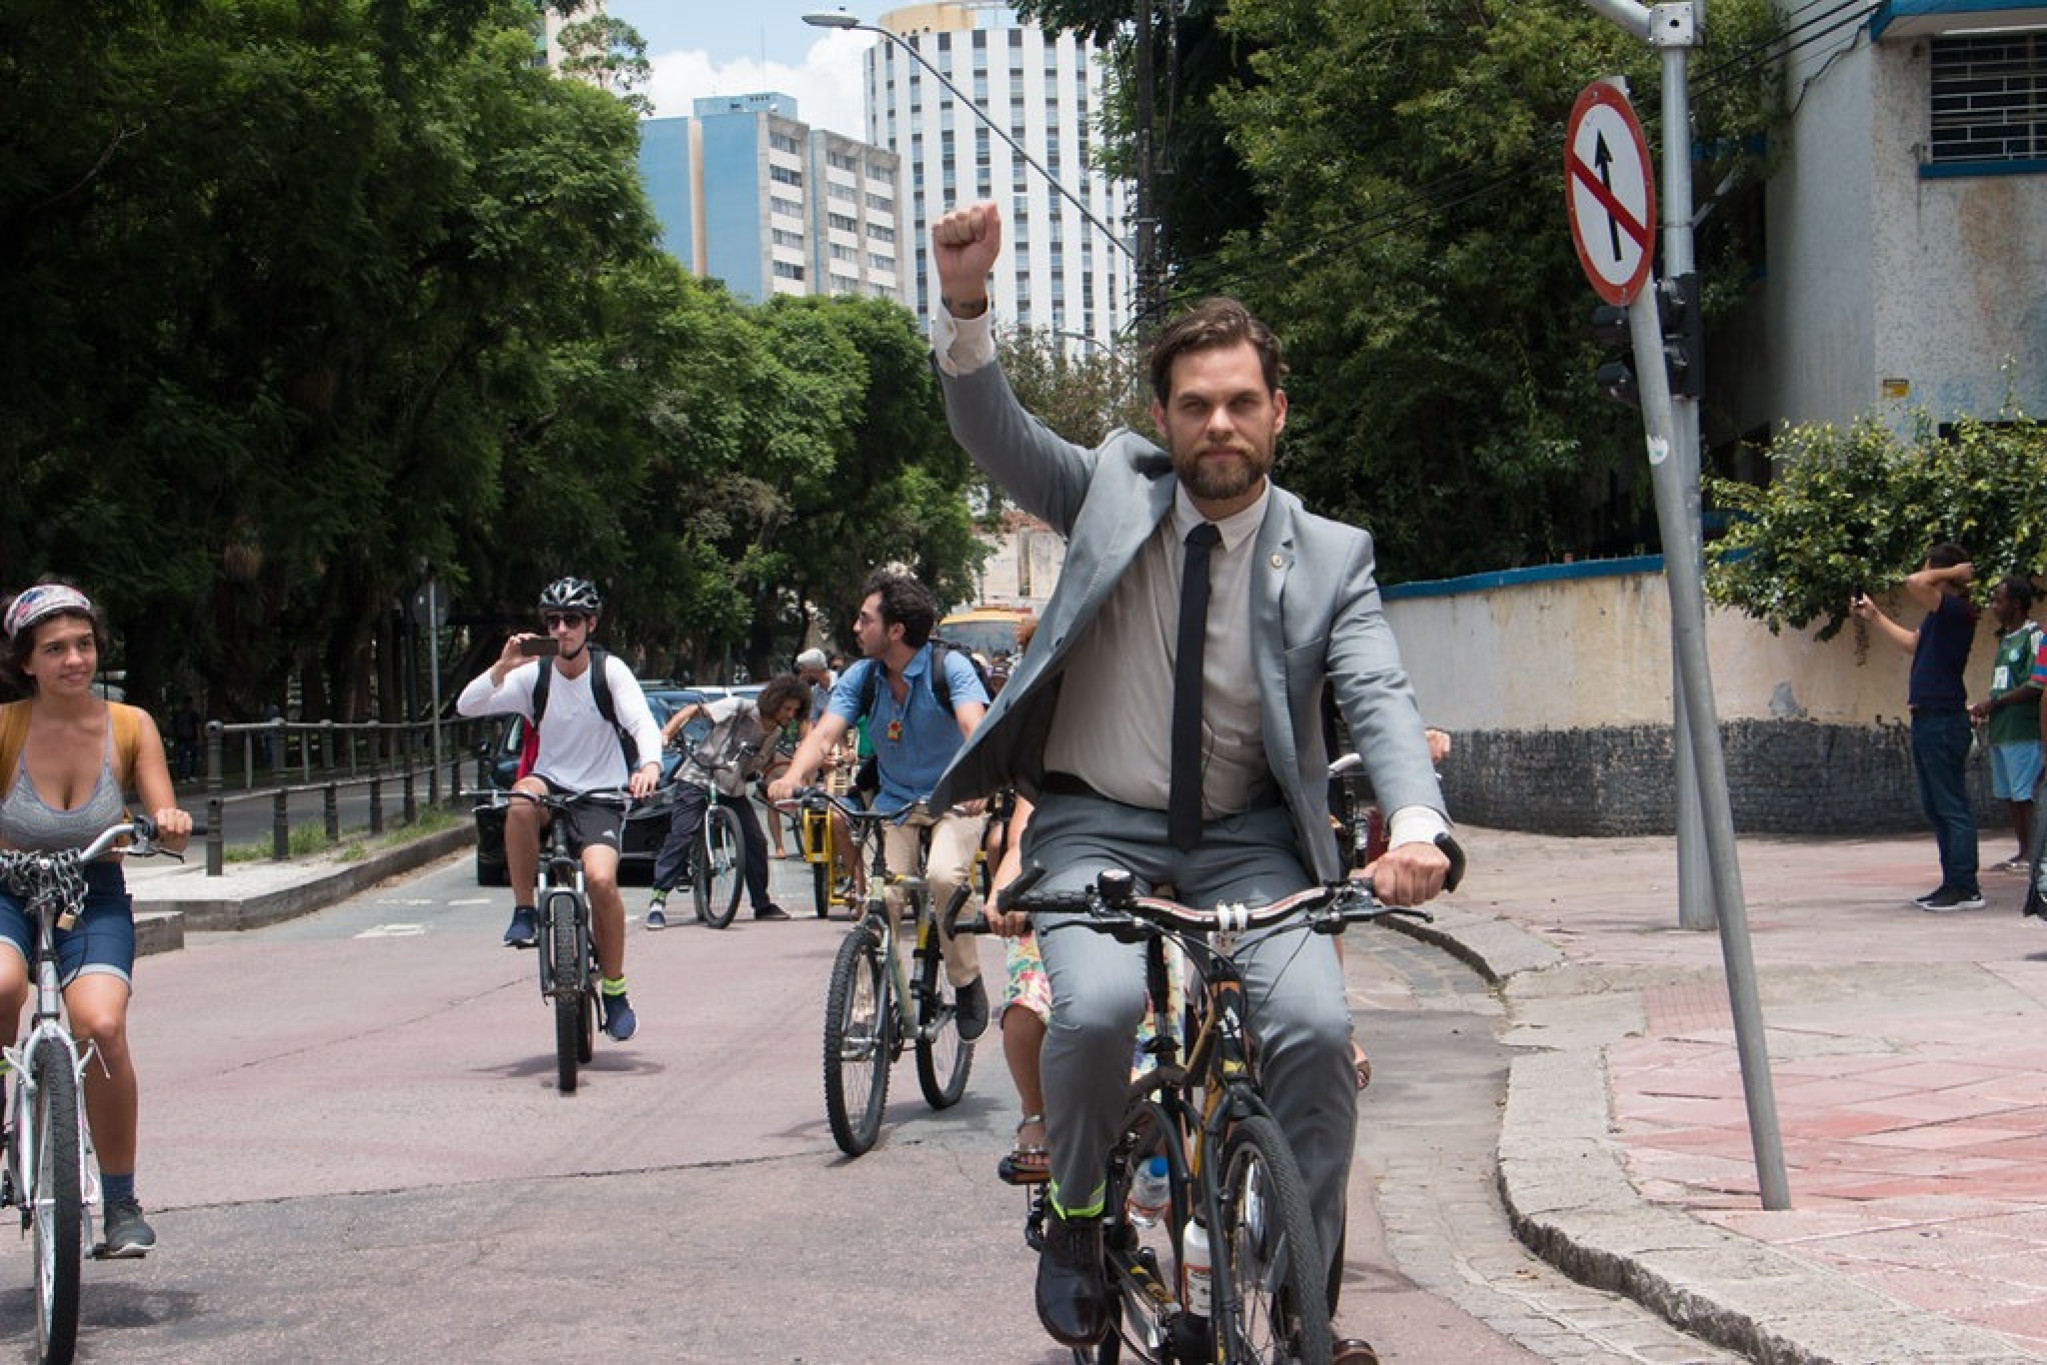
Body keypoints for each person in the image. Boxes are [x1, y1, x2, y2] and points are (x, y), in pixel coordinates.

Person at [928, 200, 1453, 1359]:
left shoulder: (1331, 554)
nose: (1219, 424)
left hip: (1250, 838)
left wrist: (1415, 826)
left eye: (1241, 403)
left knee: (1314, 1035)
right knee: (1102, 1009)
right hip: (1094, 826)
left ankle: (1301, 1291)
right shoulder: (1113, 489)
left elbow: (1378, 694)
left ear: (1277, 414)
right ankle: (1075, 1214)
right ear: (1162, 417)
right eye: (1196, 405)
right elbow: (995, 431)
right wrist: (966, 306)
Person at [0, 580, 193, 1257]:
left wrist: (168, 821)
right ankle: (5, 1120)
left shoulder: (129, 725)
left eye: (83, 645)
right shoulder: (5, 728)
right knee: (0, 984)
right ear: (27, 661)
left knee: (102, 1024)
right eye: (55, 649)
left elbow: (165, 820)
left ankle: (119, 1202)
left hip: (92, 891)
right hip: (6, 890)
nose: (74, 659)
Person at [769, 570, 993, 1039]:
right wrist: (792, 776)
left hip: (955, 801)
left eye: (864, 619)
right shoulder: (862, 676)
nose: (855, 627)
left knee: (944, 877)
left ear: (895, 630)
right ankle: (866, 1013)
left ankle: (966, 980)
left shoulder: (948, 668)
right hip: (893, 803)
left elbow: (976, 725)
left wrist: (980, 782)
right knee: (882, 899)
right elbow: (827, 734)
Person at [455, 577, 663, 1041]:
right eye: (553, 621)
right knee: (521, 798)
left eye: (572, 620)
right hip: (551, 785)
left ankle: (614, 989)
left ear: (591, 624)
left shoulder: (610, 673)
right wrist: (502, 666)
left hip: (601, 794)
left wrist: (648, 764)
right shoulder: (534, 674)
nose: (563, 629)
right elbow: (467, 706)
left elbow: (642, 723)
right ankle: (525, 911)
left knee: (602, 880)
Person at [1853, 547, 1982, 912]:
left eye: (1929, 569)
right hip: (1929, 717)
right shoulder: (1938, 617)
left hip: (1943, 717)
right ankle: (1952, 882)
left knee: (1950, 803)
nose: (1920, 574)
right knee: (1936, 804)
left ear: (1940, 576)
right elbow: (1913, 643)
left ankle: (1965, 885)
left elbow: (1913, 582)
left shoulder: (1956, 610)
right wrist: (1875, 616)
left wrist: (1954, 570)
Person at [645, 674, 809, 928]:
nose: (790, 714)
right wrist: (665, 734)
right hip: (698, 777)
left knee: (755, 840)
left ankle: (761, 904)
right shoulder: (740, 708)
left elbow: (763, 763)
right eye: (786, 708)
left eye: (794, 710)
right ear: (774, 701)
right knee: (682, 834)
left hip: (732, 787)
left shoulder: (775, 732)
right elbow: (692, 711)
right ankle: (658, 901)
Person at [1968, 576, 2041, 872]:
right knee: (2011, 795)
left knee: (2026, 795)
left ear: (2017, 604)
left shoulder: (2035, 637)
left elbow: (2036, 684)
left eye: (1999, 600)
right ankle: (2023, 850)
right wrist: (1984, 706)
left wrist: (1994, 704)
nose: (1994, 606)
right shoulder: (2005, 641)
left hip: (2023, 729)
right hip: (2002, 730)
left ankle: (2035, 853)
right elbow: (2003, 686)